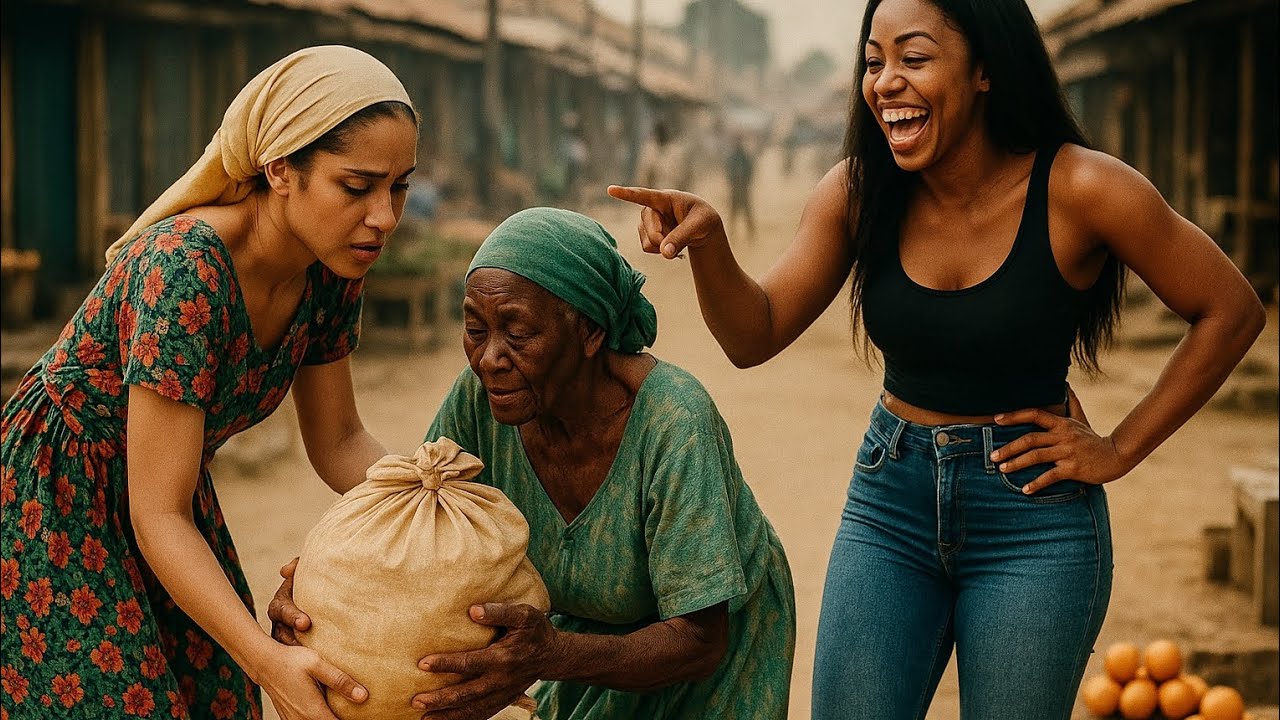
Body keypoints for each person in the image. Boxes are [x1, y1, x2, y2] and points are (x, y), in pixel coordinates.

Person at [607, 0, 1267, 717]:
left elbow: (1230, 310)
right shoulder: (857, 192)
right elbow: (753, 334)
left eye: (913, 58)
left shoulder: (1084, 188)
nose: (885, 81)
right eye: (873, 61)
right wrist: (711, 247)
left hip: (1034, 522)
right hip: (889, 507)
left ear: (984, 68)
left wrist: (1119, 448)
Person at [0, 45, 419, 720]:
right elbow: (155, 511)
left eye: (398, 186)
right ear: (280, 168)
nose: (385, 216)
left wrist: (431, 496)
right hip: (54, 503)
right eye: (357, 186)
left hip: (169, 501)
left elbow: (340, 441)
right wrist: (267, 658)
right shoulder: (185, 270)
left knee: (216, 702)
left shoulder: (332, 268)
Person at [268, 207, 796, 720]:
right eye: (475, 329)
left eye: (518, 334)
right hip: (582, 650)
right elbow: (416, 536)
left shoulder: (673, 421)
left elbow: (699, 641)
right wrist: (322, 586)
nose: (490, 358)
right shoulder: (479, 401)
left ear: (590, 333)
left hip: (706, 664)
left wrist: (553, 654)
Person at [725, 134, 758, 241]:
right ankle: (733, 235)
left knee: (745, 213)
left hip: (742, 188)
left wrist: (746, 182)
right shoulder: (735, 157)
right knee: (734, 213)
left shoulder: (743, 157)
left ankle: (750, 235)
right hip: (736, 188)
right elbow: (728, 172)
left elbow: (750, 171)